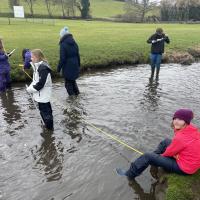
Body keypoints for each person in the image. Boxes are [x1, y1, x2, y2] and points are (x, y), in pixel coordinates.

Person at [116, 109, 200, 180]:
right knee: (166, 141)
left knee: (147, 156)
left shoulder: (181, 137)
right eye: (175, 118)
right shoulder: (192, 129)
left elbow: (169, 153)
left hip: (185, 168)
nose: (176, 121)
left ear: (186, 122)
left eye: (180, 119)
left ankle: (129, 175)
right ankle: (153, 159)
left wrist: (158, 158)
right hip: (192, 164)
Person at [26, 49, 54, 130]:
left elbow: (40, 85)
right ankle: (47, 127)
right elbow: (35, 81)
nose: (31, 58)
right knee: (44, 112)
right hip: (40, 95)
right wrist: (30, 87)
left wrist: (30, 90)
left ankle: (49, 130)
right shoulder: (37, 66)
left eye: (32, 57)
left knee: (46, 113)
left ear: (38, 57)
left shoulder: (43, 68)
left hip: (43, 96)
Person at [57, 26, 80, 96]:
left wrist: (58, 68)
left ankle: (72, 102)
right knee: (73, 81)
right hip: (75, 65)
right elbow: (78, 55)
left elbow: (62, 58)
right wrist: (78, 65)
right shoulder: (74, 42)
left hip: (68, 67)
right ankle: (77, 96)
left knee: (68, 84)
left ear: (62, 36)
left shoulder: (63, 44)